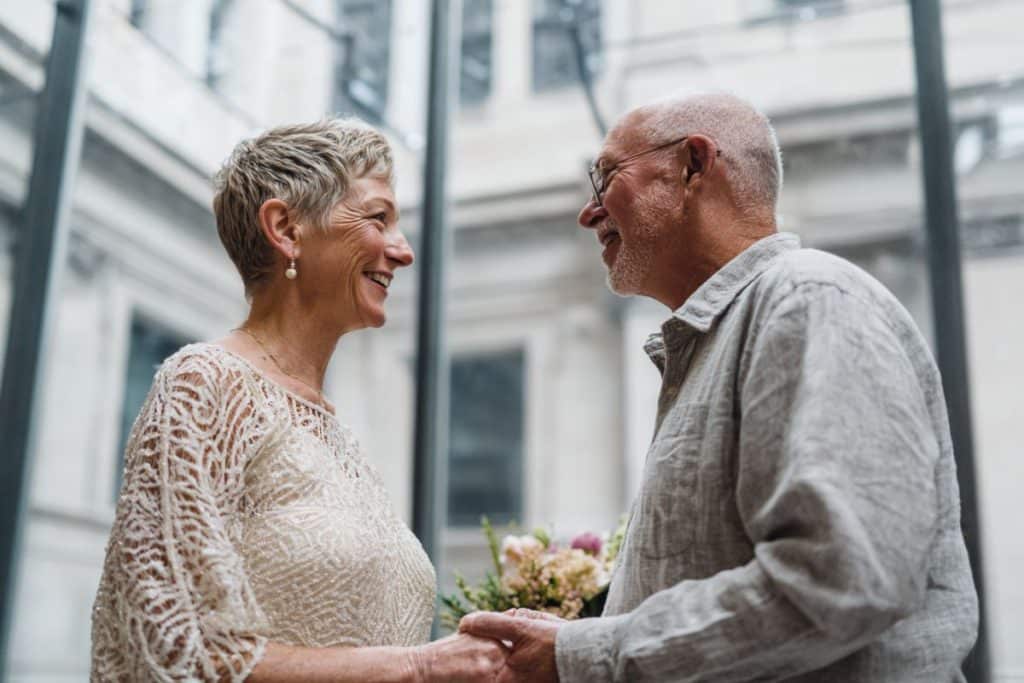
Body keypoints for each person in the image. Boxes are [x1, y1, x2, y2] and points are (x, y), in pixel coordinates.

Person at [460, 93, 980, 681]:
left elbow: (842, 579)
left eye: (604, 177)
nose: (589, 211)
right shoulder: (745, 329)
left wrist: (581, 655)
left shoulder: (808, 300)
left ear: (693, 166)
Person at [91, 119, 506, 682]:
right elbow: (170, 648)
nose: (403, 251)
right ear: (285, 228)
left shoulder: (336, 431)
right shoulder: (203, 381)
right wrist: (421, 666)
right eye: (378, 217)